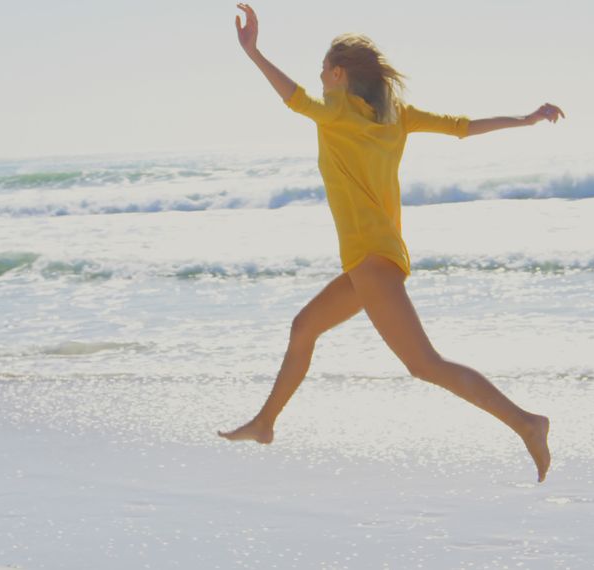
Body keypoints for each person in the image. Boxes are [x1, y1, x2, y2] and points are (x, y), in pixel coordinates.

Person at [219, 3, 565, 482]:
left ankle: (527, 424)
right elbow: (463, 127)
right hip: (376, 258)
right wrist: (524, 121)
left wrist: (254, 53)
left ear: (339, 74)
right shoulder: (397, 116)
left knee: (425, 364)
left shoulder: (336, 110)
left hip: (370, 261)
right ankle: (265, 423)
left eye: (324, 70)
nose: (320, 78)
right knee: (304, 329)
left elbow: (293, 97)